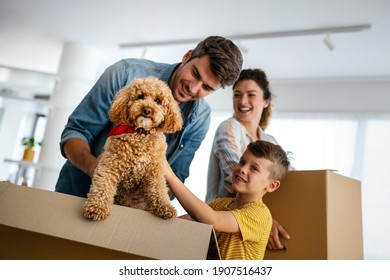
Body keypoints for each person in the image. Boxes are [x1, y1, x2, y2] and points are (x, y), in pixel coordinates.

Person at [55, 36, 243, 198]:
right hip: (78, 194)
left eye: (207, 88)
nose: (193, 88)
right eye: (195, 74)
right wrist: (93, 168)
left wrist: (151, 193)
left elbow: (177, 174)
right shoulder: (124, 74)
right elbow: (76, 131)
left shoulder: (201, 117)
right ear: (187, 56)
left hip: (131, 217)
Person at [206, 68, 291, 250]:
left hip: (247, 229)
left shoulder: (270, 141)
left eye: (251, 95)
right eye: (237, 95)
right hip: (219, 223)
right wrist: (263, 220)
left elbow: (290, 178)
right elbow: (234, 176)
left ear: (265, 101)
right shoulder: (229, 127)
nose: (243, 101)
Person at [164, 140, 290, 260]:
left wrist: (171, 177)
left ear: (271, 185)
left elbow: (212, 219)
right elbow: (191, 218)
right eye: (242, 162)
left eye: (254, 168)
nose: (242, 169)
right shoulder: (221, 204)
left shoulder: (259, 214)